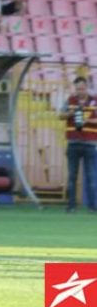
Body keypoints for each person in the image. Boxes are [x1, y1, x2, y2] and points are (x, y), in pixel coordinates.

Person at [59, 77, 97, 213]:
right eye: (77, 89)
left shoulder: (95, 101)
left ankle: (93, 207)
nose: (80, 91)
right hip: (73, 143)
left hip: (90, 144)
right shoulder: (70, 100)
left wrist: (87, 121)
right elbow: (60, 115)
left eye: (82, 88)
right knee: (72, 176)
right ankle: (71, 206)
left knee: (91, 176)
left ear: (86, 87)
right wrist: (71, 113)